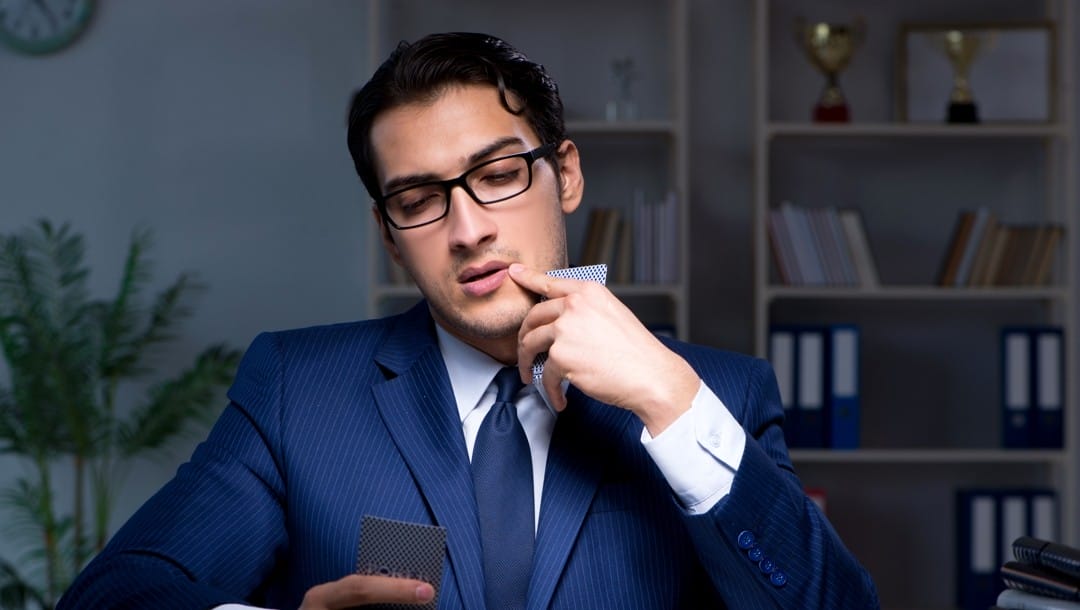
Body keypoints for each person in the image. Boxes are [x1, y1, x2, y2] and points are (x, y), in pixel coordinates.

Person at [60, 32, 879, 609]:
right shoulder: (295, 392)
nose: (467, 229)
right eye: (419, 199)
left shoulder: (718, 395)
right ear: (389, 236)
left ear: (565, 176)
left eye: (496, 175)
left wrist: (672, 400)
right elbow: (115, 595)